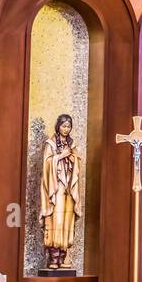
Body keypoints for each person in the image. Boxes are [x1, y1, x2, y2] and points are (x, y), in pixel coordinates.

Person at [40, 114, 83, 270]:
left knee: (67, 220)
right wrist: (59, 157)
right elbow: (46, 164)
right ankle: (54, 257)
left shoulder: (73, 144)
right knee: (56, 220)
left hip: (69, 189)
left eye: (69, 126)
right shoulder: (50, 144)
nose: (66, 129)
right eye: (64, 126)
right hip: (56, 187)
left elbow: (78, 163)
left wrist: (73, 159)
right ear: (58, 126)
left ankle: (64, 257)